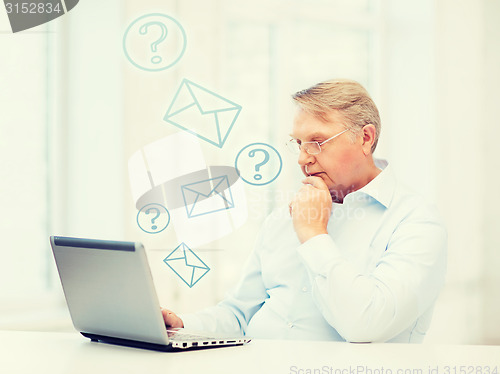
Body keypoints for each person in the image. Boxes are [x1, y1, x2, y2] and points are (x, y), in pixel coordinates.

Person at [162, 79, 447, 343]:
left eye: (317, 142)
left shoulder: (416, 223)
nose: (302, 158)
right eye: (298, 143)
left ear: (365, 138)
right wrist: (180, 325)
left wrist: (313, 234)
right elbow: (239, 314)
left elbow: (366, 325)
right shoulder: (284, 217)